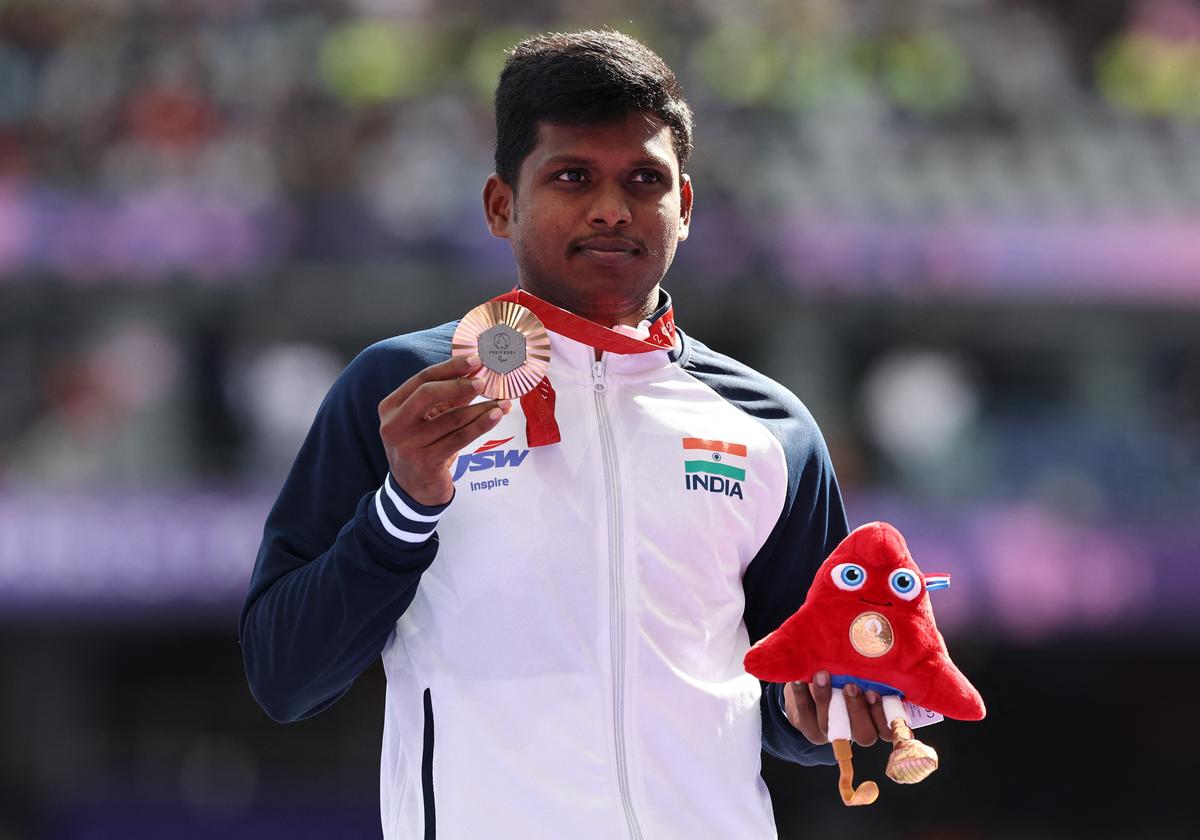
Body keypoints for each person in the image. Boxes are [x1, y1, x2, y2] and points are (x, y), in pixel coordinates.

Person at [240, 29, 890, 839]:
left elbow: (786, 703)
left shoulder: (771, 428)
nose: (612, 208)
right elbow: (285, 676)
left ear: (684, 207)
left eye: (645, 179)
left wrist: (827, 713)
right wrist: (404, 508)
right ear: (500, 204)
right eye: (572, 176)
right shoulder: (400, 392)